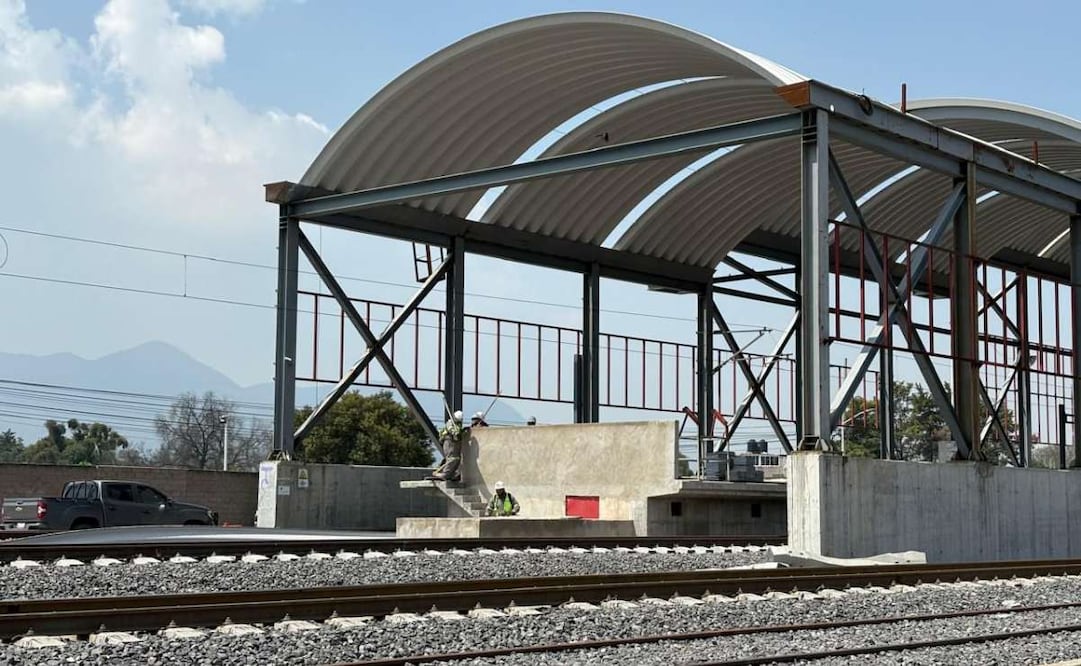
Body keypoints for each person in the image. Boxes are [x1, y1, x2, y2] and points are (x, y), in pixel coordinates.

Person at [430, 410, 468, 482]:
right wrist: (456, 432)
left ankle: (451, 473)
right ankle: (445, 473)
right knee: (452, 458)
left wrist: (463, 431)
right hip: (449, 441)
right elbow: (452, 431)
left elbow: (458, 432)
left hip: (455, 442)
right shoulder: (450, 423)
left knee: (457, 459)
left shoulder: (458, 425)